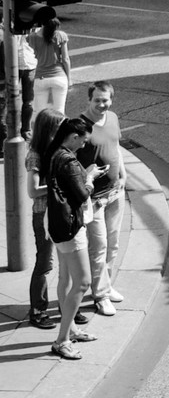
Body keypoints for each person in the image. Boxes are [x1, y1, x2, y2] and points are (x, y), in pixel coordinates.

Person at [47, 117, 103, 359]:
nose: (83, 145)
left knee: (66, 278)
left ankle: (70, 329)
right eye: (83, 141)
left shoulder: (55, 153)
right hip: (70, 227)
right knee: (82, 282)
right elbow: (81, 195)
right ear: (73, 137)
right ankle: (62, 340)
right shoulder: (68, 160)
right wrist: (90, 178)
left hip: (57, 224)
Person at [76, 81, 126, 317]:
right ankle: (101, 296)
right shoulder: (78, 125)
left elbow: (116, 148)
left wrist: (124, 174)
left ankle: (105, 285)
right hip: (94, 198)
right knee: (99, 247)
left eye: (105, 100)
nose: (102, 104)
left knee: (113, 245)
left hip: (116, 192)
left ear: (111, 99)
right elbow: (69, 159)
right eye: (97, 100)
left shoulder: (113, 118)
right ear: (89, 99)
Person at [25, 109, 70, 330]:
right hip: (43, 214)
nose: (64, 130)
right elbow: (32, 191)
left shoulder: (60, 149)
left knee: (67, 261)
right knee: (45, 263)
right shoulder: (35, 154)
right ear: (49, 128)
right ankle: (37, 310)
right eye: (60, 126)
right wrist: (57, 183)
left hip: (61, 212)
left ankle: (67, 306)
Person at [29, 17, 71, 116]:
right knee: (59, 111)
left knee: (40, 113)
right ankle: (59, 130)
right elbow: (65, 59)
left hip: (40, 77)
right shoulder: (60, 35)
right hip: (59, 76)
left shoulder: (32, 37)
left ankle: (42, 130)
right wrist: (69, 79)